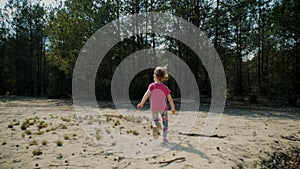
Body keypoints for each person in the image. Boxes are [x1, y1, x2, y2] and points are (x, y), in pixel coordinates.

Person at [137, 66, 176, 143]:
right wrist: (173, 108)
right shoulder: (165, 87)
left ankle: (155, 126)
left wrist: (142, 103)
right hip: (163, 108)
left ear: (155, 76)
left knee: (155, 120)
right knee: (165, 123)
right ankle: (164, 138)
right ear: (162, 77)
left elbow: (146, 95)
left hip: (154, 108)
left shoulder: (152, 86)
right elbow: (170, 99)